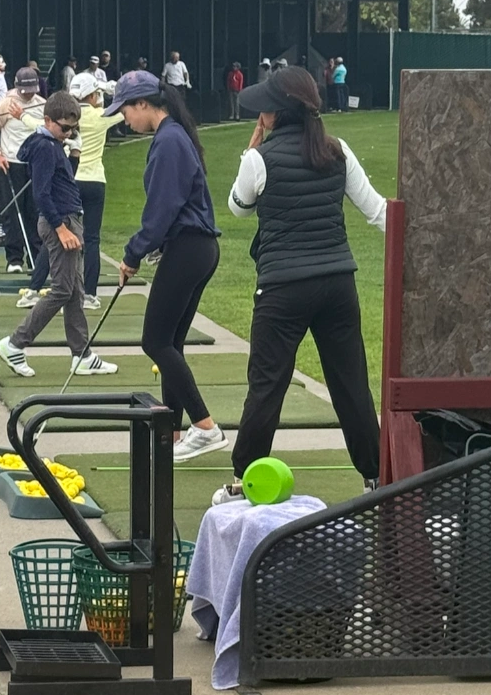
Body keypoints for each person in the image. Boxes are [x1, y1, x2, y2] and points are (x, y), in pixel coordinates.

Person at [213, 66, 383, 503]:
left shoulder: (259, 158)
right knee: (351, 385)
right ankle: (378, 477)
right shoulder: (337, 150)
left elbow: (238, 208)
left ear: (276, 113)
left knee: (267, 383)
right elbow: (378, 211)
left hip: (283, 287)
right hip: (337, 284)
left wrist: (247, 155)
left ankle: (244, 482)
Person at [103, 72, 226, 462]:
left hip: (189, 249)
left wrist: (132, 253)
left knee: (154, 341)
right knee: (170, 343)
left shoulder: (169, 141)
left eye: (125, 110)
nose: (124, 119)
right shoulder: (174, 136)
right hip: (196, 248)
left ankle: (204, 427)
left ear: (143, 104)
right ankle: (174, 433)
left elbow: (161, 211)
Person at [0, 92, 118, 379]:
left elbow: (64, 180)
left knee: (74, 290)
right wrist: (62, 228)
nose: (69, 132)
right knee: (63, 289)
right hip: (59, 221)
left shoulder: (51, 144)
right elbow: (42, 194)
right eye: (64, 127)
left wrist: (73, 153)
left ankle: (81, 354)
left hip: (64, 218)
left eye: (74, 128)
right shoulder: (45, 147)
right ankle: (14, 343)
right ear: (47, 120)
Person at [65, 72, 123, 309]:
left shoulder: (65, 117)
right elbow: (126, 108)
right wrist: (113, 90)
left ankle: (56, 291)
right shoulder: (102, 115)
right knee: (91, 239)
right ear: (90, 95)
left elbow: (35, 122)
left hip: (71, 180)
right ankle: (89, 294)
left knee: (64, 237)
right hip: (95, 182)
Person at [0, 67, 46, 273]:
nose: (29, 93)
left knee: (35, 212)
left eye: (32, 89)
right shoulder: (5, 104)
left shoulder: (41, 104)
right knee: (14, 213)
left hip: (36, 165)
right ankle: (14, 259)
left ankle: (37, 257)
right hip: (11, 163)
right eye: (25, 89)